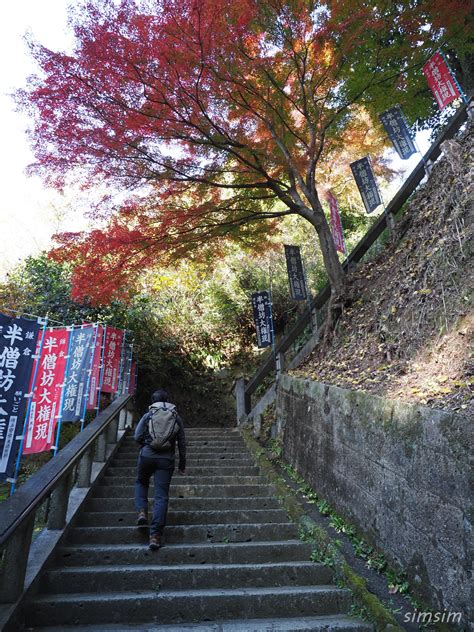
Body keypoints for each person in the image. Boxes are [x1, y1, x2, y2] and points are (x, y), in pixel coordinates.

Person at [134, 389, 186, 550]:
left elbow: (136, 436)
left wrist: (146, 443)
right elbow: (182, 443)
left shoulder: (149, 414)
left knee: (141, 482)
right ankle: (155, 536)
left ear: (153, 400)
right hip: (166, 459)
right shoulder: (175, 416)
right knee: (161, 496)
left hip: (147, 456)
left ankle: (142, 511)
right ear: (168, 400)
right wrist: (182, 463)